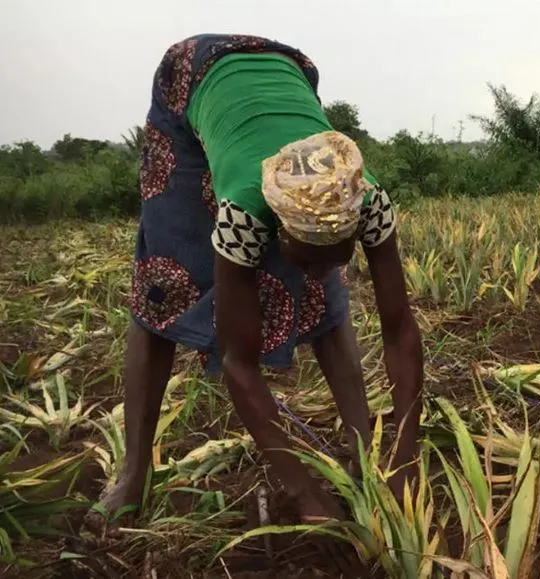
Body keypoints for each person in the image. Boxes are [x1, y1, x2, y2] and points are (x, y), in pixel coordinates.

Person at [89, 34, 424, 526]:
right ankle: (134, 473)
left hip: (287, 70)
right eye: (305, 257)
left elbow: (400, 328)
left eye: (335, 255)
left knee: (327, 297)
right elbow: (238, 364)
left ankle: (364, 452)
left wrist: (405, 454)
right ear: (278, 229)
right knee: (166, 282)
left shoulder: (366, 202)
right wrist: (304, 493)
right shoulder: (244, 215)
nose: (314, 270)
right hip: (191, 78)